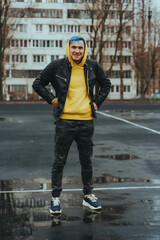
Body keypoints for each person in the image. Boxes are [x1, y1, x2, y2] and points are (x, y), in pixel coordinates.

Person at [32, 35, 111, 213]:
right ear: (69, 48)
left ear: (85, 49)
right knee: (59, 161)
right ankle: (55, 199)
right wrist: (52, 99)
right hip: (64, 122)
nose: (77, 51)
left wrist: (97, 102)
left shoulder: (92, 66)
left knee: (87, 161)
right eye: (73, 47)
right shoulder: (57, 66)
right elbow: (37, 84)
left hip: (86, 122)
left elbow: (106, 84)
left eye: (80, 48)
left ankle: (88, 196)